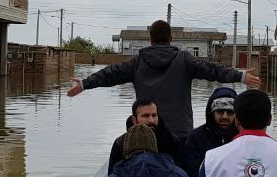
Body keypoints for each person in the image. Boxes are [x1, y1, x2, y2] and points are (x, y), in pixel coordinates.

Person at [67, 20, 261, 145]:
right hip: (182, 135)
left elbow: (109, 74)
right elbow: (213, 70)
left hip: (147, 136)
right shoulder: (185, 59)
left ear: (150, 39)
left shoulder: (137, 63)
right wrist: (241, 76)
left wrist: (84, 84)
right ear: (170, 38)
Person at [179, 86, 239, 177]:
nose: (225, 116)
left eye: (230, 112)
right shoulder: (196, 137)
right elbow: (191, 172)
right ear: (211, 113)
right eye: (220, 112)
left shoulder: (242, 138)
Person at [108, 98, 180, 175]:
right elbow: (113, 173)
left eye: (154, 115)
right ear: (134, 120)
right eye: (145, 116)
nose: (151, 120)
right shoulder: (121, 143)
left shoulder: (172, 141)